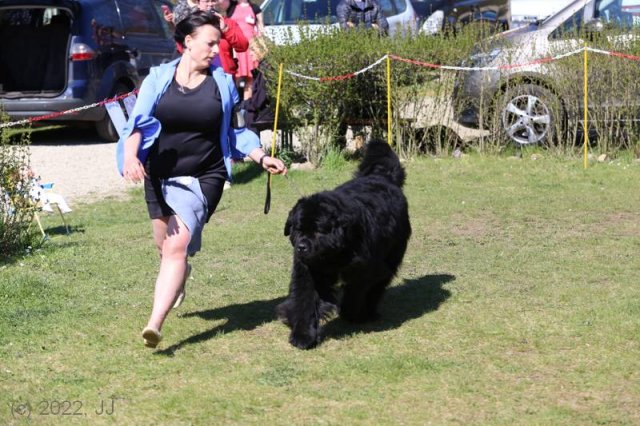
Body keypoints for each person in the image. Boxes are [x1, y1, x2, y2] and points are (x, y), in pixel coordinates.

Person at [116, 11, 287, 348]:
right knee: (163, 245)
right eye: (209, 43)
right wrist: (131, 155)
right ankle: (180, 271)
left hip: (204, 175)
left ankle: (154, 324)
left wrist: (260, 156)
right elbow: (138, 123)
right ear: (188, 42)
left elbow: (235, 134)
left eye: (217, 44)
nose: (215, 50)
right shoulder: (157, 80)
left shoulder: (222, 85)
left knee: (175, 246)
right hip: (159, 174)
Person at [163, 0, 249, 77]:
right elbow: (181, 47)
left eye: (213, 1)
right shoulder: (191, 23)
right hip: (197, 77)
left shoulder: (227, 22)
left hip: (224, 77)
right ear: (198, 3)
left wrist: (226, 29)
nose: (210, 4)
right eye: (207, 1)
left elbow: (243, 46)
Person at [228, 0, 264, 100]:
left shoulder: (255, 8)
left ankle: (246, 105)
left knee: (250, 77)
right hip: (235, 47)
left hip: (251, 47)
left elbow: (261, 27)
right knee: (236, 76)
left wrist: (262, 44)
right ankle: (234, 101)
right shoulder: (231, 7)